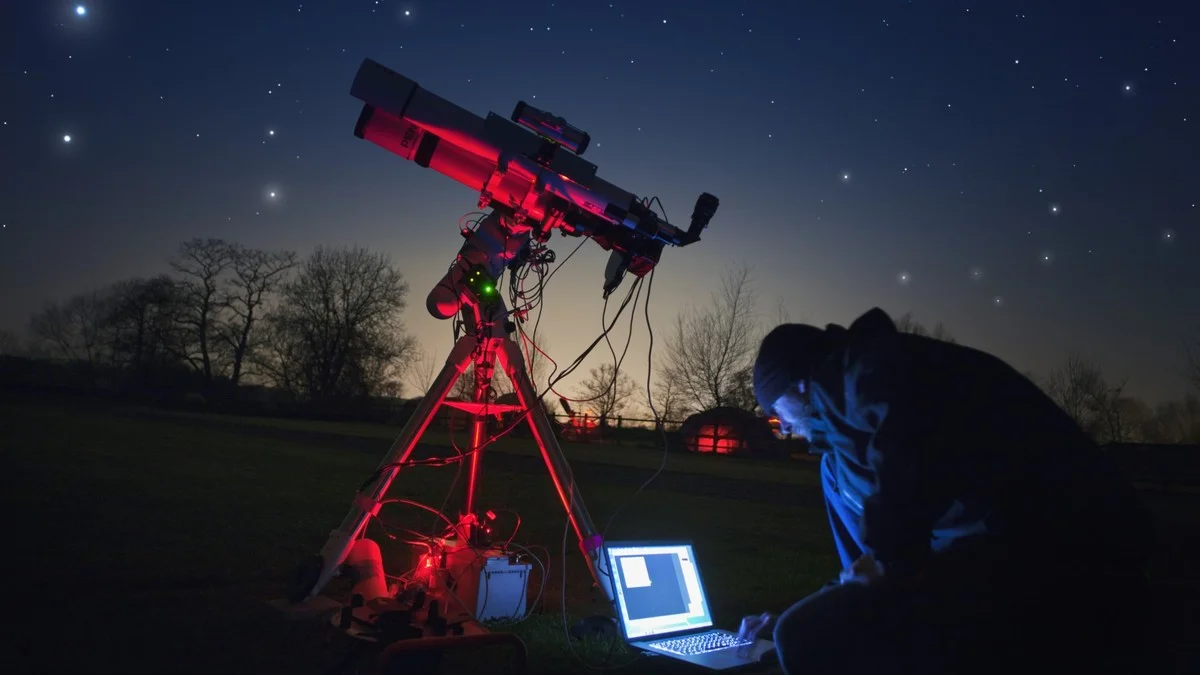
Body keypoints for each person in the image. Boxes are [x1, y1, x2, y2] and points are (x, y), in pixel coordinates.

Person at [738, 307, 1154, 675]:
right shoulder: (838, 459)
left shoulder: (872, 367)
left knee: (803, 637)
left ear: (800, 386)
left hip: (1055, 546)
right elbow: (864, 570)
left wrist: (887, 563)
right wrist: (828, 602)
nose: (785, 429)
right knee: (801, 625)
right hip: (979, 555)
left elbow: (906, 443)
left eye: (777, 415)